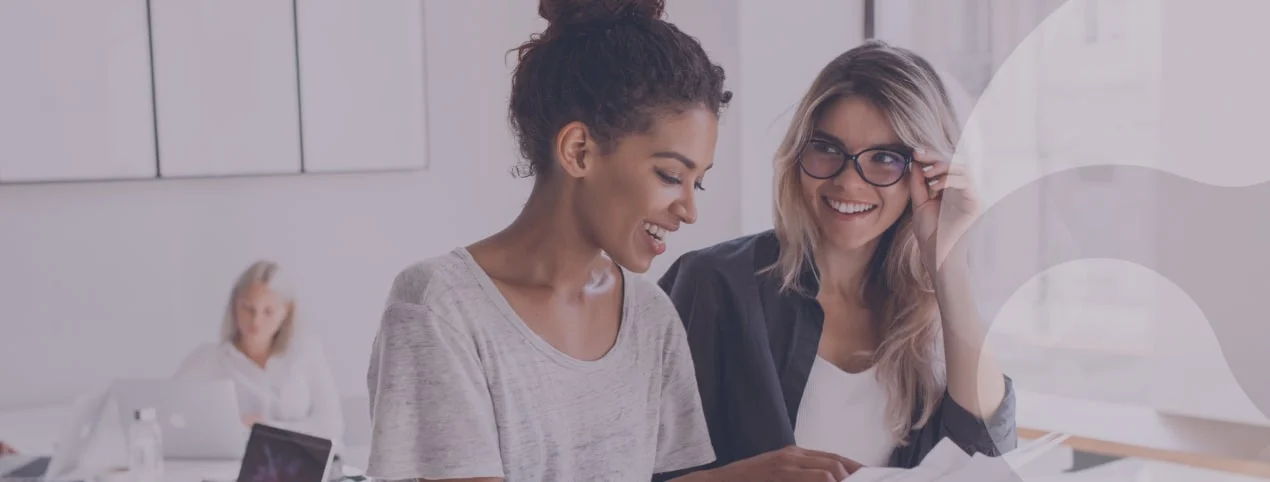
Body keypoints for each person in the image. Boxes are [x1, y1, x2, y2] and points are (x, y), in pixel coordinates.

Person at [361, 1, 785, 480]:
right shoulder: (439, 307)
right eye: (670, 175)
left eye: (698, 182)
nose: (688, 210)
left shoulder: (650, 316)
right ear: (579, 151)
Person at [657, 40, 1017, 480]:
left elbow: (987, 454)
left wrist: (947, 259)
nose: (848, 182)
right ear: (798, 153)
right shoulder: (713, 284)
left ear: (926, 174)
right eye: (827, 149)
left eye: (885, 159)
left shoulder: (935, 315)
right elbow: (629, 467)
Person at [175, 260, 344, 444]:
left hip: (299, 464)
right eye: (248, 309)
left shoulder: (306, 353)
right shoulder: (208, 359)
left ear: (286, 311)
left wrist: (268, 430)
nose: (256, 321)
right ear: (234, 305)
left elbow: (332, 425)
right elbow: (173, 415)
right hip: (231, 467)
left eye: (268, 312)